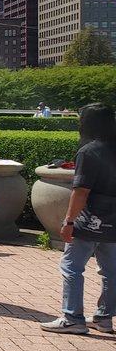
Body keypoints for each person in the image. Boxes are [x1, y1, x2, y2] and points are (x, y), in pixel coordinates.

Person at [40, 103, 116, 335]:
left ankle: (73, 317)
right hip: (113, 220)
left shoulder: (88, 151)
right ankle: (104, 318)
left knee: (72, 267)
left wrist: (69, 221)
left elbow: (81, 190)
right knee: (110, 270)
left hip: (89, 217)